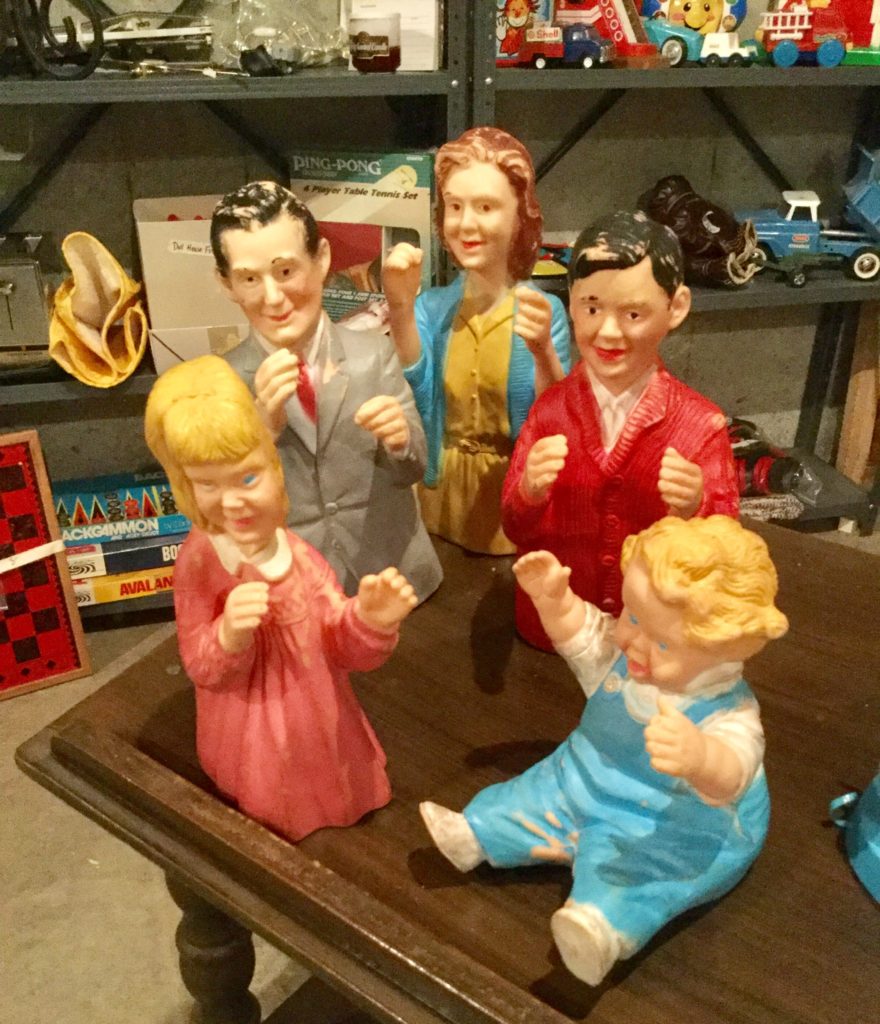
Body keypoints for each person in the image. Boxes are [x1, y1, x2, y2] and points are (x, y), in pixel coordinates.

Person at [420, 516, 788, 986]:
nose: (632, 641)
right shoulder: (622, 661)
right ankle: (477, 833)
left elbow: (733, 771)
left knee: (642, 874)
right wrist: (554, 600)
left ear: (726, 650)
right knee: (533, 796)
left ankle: (599, 929)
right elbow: (583, 634)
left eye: (661, 642)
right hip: (582, 777)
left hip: (671, 824)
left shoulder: (729, 714)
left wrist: (700, 758)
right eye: (632, 617)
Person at [145, 355, 418, 843]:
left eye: (247, 478)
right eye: (207, 484)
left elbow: (338, 643)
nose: (232, 501)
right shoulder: (201, 561)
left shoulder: (295, 553)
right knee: (275, 800)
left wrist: (368, 620)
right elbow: (199, 664)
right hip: (253, 731)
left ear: (274, 470)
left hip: (322, 721)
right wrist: (229, 634)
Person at [502, 210, 740, 650]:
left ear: (676, 308)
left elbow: (725, 548)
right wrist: (529, 492)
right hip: (554, 628)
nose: (609, 333)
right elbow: (515, 528)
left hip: (650, 637)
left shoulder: (700, 424)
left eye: (633, 313)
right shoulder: (549, 412)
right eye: (592, 308)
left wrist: (698, 505)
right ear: (572, 303)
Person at [210, 180, 442, 604]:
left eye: (286, 271)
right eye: (249, 278)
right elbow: (217, 505)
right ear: (226, 284)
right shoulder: (220, 383)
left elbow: (417, 468)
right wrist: (261, 433)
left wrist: (400, 440)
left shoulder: (374, 354)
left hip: (392, 578)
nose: (273, 298)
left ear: (321, 259)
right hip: (292, 596)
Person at [382, 127, 572, 555]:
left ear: (520, 215)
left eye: (485, 207)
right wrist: (400, 307)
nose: (466, 224)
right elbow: (415, 388)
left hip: (507, 497)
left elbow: (555, 418)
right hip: (441, 495)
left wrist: (542, 349)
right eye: (455, 206)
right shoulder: (434, 307)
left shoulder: (543, 312)